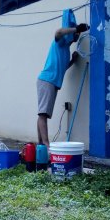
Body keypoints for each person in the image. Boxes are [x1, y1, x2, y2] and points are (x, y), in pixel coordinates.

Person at [36, 9, 89, 150]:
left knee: (42, 113)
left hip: (51, 82)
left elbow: (63, 68)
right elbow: (58, 32)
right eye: (76, 34)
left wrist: (73, 60)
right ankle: (46, 145)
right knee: (43, 114)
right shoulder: (60, 43)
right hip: (47, 80)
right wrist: (76, 28)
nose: (77, 36)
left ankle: (41, 144)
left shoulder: (65, 50)